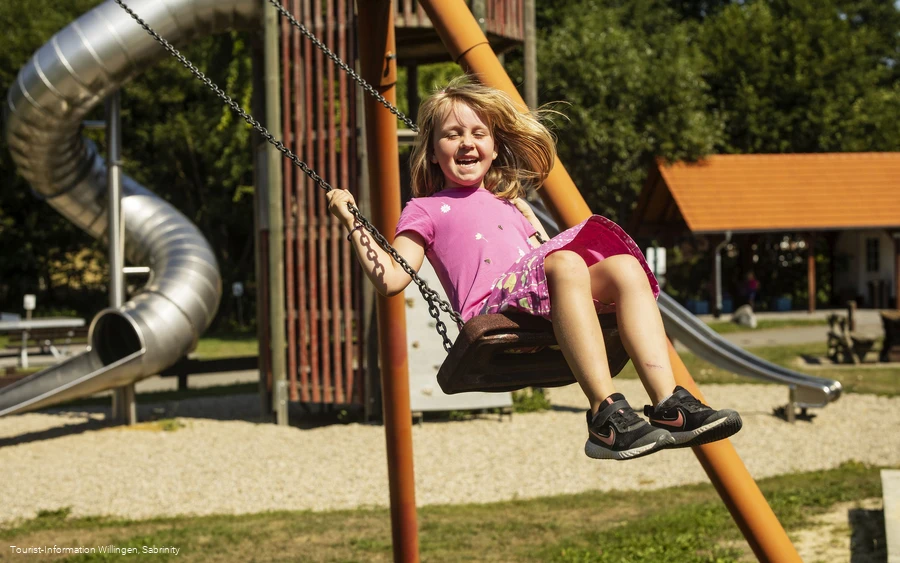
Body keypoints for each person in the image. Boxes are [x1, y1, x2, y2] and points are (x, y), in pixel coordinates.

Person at [327, 77, 742, 460]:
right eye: (452, 135)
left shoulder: (512, 202)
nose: (466, 143)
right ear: (433, 152)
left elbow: (545, 260)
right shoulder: (426, 209)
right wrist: (353, 221)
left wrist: (535, 227)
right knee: (563, 261)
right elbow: (393, 278)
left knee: (624, 267)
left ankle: (670, 404)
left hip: (538, 303)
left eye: (477, 133)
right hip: (495, 310)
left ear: (493, 145)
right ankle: (605, 416)